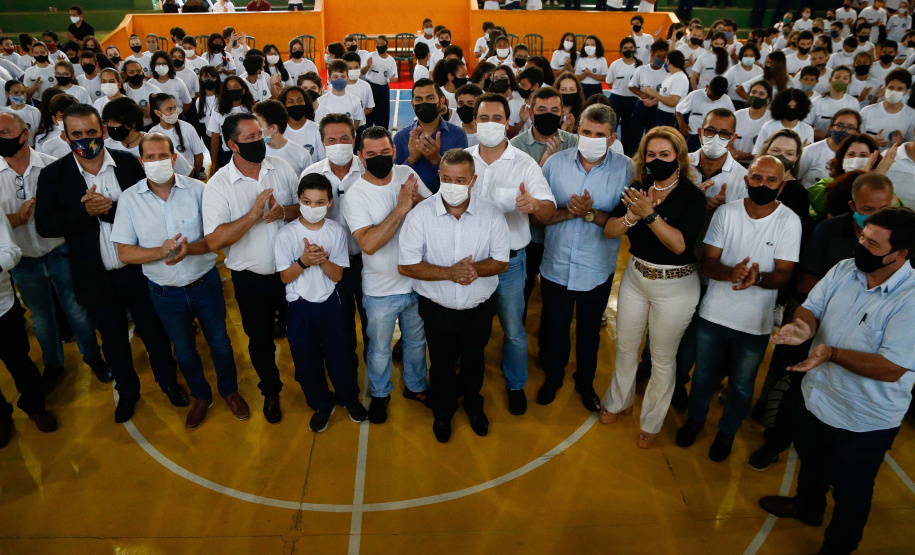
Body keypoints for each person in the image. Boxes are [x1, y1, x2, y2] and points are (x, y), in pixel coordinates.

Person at [759, 205, 915, 555]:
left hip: (864, 418)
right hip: (818, 395)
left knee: (852, 488)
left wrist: (831, 354)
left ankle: (839, 546)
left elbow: (892, 368)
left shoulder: (911, 300)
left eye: (873, 245)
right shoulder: (846, 269)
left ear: (900, 255)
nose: (862, 246)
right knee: (810, 460)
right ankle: (807, 507)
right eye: (862, 236)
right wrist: (803, 328)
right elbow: (811, 307)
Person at [35, 104, 185, 423]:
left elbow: (151, 209)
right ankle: (128, 392)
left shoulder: (129, 165)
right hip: (95, 275)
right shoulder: (54, 175)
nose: (85, 139)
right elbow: (45, 225)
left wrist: (108, 211)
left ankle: (169, 383)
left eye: (91, 132)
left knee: (155, 333)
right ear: (65, 136)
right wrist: (83, 213)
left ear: (103, 131)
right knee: (113, 340)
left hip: (139, 270)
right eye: (76, 135)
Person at [748, 172, 897, 472]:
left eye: (884, 209)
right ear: (853, 205)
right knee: (794, 391)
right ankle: (776, 441)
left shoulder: (900, 241)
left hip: (863, 339)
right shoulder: (830, 233)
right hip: (817, 326)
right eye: (868, 211)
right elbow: (806, 285)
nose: (877, 218)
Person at [110, 133, 249, 429]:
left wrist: (191, 249)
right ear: (141, 162)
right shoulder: (129, 199)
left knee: (220, 343)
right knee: (183, 349)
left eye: (163, 156)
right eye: (150, 157)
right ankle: (201, 396)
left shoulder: (199, 190)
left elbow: (215, 237)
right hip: (164, 292)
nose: (157, 161)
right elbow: (124, 251)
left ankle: (230, 391)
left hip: (205, 283)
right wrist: (157, 252)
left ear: (174, 158)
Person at [676, 155, 802, 462]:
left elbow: (784, 274)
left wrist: (756, 277)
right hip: (714, 313)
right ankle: (695, 420)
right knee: (703, 375)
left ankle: (727, 432)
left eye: (771, 180)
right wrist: (730, 274)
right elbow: (708, 261)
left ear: (782, 186)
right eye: (757, 178)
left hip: (754, 322)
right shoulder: (726, 214)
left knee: (742, 385)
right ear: (746, 181)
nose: (763, 184)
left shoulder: (789, 221)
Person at [601, 125, 705, 448]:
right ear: (643, 159)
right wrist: (631, 217)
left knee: (661, 358)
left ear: (678, 157)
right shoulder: (637, 187)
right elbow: (610, 231)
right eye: (651, 155)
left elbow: (678, 245)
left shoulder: (691, 196)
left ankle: (651, 421)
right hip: (636, 277)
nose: (657, 160)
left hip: (675, 286)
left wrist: (648, 215)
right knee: (626, 346)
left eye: (665, 154)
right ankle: (620, 400)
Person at [398, 148, 510, 442]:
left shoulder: (492, 214)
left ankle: (474, 405)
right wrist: (450, 273)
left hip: (479, 308)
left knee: (474, 361)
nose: (453, 185)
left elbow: (501, 261)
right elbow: (406, 265)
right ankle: (443, 412)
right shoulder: (420, 216)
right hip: (437, 309)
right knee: (442, 363)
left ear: (473, 180)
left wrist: (473, 270)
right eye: (447, 178)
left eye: (461, 180)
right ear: (439, 176)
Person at [202, 113, 300, 423]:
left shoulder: (281, 168)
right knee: (260, 340)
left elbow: (306, 206)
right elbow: (215, 240)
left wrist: (285, 211)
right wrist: (253, 215)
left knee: (304, 332)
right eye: (250, 138)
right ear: (232, 145)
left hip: (294, 272)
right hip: (251, 279)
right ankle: (271, 391)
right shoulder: (218, 185)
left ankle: (312, 383)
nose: (259, 142)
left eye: (260, 134)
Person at [0, 110, 109, 390]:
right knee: (41, 319)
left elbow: (73, 212)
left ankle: (94, 358)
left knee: (77, 311)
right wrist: (17, 219)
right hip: (23, 259)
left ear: (24, 135)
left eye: (4, 133)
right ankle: (53, 364)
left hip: (59, 251)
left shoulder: (53, 167)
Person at [465, 94, 556, 415]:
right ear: (475, 122)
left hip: (510, 264)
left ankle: (515, 384)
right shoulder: (461, 159)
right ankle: (468, 385)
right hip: (470, 264)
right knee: (470, 330)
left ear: (508, 122)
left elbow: (548, 207)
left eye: (497, 118)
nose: (490, 124)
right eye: (484, 118)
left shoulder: (523, 164)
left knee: (514, 331)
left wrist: (534, 206)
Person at [537, 104, 632, 412]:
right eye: (586, 132)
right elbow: (542, 216)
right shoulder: (554, 165)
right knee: (556, 328)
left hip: (597, 268)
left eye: (600, 135)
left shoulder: (626, 169)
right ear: (576, 130)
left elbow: (623, 222)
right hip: (557, 264)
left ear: (612, 137)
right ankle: (553, 378)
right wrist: (569, 211)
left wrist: (590, 213)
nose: (592, 138)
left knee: (589, 332)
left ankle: (585, 383)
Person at [342, 126, 432, 424]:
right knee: (379, 349)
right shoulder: (355, 195)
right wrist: (402, 208)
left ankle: (416, 387)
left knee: (417, 342)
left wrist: (416, 203)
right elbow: (368, 243)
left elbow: (434, 214)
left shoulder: (408, 175)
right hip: (381, 289)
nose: (379, 158)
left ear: (394, 151)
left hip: (417, 282)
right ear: (360, 157)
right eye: (371, 154)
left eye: (385, 152)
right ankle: (380, 394)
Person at [275, 172, 367, 432]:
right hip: (300, 306)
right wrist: (304, 261)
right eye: (307, 201)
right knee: (306, 359)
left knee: (341, 354)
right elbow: (285, 277)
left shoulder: (336, 232)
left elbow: (337, 275)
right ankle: (320, 403)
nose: (312, 207)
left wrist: (321, 259)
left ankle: (348, 397)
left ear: (329, 203)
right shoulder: (286, 234)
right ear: (299, 200)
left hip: (331, 303)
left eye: (319, 202)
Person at [301, 114, 367, 378]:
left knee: (372, 321)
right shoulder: (311, 174)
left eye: (344, 139)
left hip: (365, 260)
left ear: (354, 139)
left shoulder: (368, 170)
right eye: (331, 140)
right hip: (329, 264)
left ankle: (374, 372)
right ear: (322, 142)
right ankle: (346, 373)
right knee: (339, 325)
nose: (338, 144)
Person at [0, 214, 58, 447]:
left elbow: (11, 251)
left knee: (20, 362)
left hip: (2, 308)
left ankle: (35, 407)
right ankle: (2, 416)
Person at [394, 79, 467, 193]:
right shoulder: (400, 137)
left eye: (430, 98)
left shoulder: (458, 135)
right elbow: (394, 181)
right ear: (413, 105)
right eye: (419, 99)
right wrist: (411, 159)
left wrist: (437, 160)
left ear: (442, 101)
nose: (425, 103)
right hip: (410, 205)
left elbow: (461, 179)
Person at [797, 109, 862, 189]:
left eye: (850, 127)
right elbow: (795, 179)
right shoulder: (810, 152)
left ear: (857, 132)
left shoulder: (860, 156)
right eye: (839, 125)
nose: (844, 130)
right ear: (831, 127)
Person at [149, 93, 206, 179]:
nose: (174, 112)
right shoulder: (153, 133)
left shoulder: (187, 128)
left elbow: (198, 154)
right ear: (158, 113)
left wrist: (194, 174)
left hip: (187, 177)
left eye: (174, 108)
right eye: (169, 109)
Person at [627, 40, 668, 156]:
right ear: (652, 55)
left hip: (657, 109)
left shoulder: (667, 72)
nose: (660, 60)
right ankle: (632, 158)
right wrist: (641, 94)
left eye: (663, 57)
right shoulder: (642, 70)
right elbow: (631, 86)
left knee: (653, 136)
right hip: (641, 106)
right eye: (658, 56)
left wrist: (655, 99)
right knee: (635, 135)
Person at [207, 76, 254, 173]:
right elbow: (215, 137)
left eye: (236, 87)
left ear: (243, 90)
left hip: (250, 151)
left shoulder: (252, 109)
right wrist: (214, 162)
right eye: (229, 88)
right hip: (228, 154)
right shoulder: (218, 110)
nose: (232, 90)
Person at [254, 100, 312, 176]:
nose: (255, 129)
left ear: (273, 128)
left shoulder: (302, 154)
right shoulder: (255, 152)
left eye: (259, 125)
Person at [675, 76, 735, 151]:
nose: (713, 99)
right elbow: (678, 110)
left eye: (716, 98)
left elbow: (732, 119)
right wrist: (681, 123)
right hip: (694, 135)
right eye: (711, 96)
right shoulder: (695, 95)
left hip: (714, 138)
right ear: (707, 87)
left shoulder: (726, 100)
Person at [860, 68, 915, 146]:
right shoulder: (867, 111)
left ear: (906, 91)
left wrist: (899, 144)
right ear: (885, 87)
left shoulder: (912, 115)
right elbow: (857, 138)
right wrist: (871, 142)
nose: (894, 92)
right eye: (891, 87)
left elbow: (911, 144)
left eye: (899, 89)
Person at [607, 38, 641, 156]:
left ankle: (626, 154)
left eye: (631, 48)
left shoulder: (640, 65)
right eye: (625, 48)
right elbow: (609, 81)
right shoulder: (615, 64)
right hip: (616, 99)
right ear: (621, 50)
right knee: (611, 127)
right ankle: (610, 151)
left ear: (634, 49)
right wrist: (617, 90)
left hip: (632, 100)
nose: (628, 50)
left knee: (628, 129)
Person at [753, 88, 815, 153]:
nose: (792, 109)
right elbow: (757, 152)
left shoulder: (807, 129)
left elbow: (808, 156)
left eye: (795, 107)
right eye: (788, 107)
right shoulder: (768, 126)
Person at [643, 50, 689, 128]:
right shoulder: (670, 76)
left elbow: (672, 102)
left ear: (669, 61)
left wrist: (654, 93)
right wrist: (652, 102)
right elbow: (663, 96)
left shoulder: (679, 78)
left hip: (670, 116)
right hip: (661, 113)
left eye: (666, 60)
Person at [278, 85, 323, 161]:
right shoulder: (279, 131)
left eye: (300, 101)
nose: (296, 104)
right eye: (291, 102)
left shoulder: (317, 130)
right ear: (284, 105)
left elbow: (323, 160)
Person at [315, 60, 364, 129]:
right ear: (329, 79)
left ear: (347, 78)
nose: (339, 80)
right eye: (335, 77)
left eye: (343, 77)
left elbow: (356, 122)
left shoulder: (355, 101)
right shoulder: (321, 101)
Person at [731, 80, 772, 162]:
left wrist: (755, 156)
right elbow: (726, 138)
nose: (756, 96)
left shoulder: (771, 119)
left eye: (761, 94)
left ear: (768, 99)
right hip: (735, 161)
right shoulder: (737, 115)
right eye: (753, 92)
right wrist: (734, 152)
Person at [362, 36, 398, 129]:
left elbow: (393, 76)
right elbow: (362, 71)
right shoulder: (371, 56)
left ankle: (382, 131)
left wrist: (393, 79)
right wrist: (368, 66)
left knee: (383, 114)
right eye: (377, 44)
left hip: (383, 89)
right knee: (369, 112)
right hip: (371, 87)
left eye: (382, 43)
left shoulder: (391, 60)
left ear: (387, 44)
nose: (380, 45)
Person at [2, 81, 41, 147]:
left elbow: (39, 134)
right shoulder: (4, 113)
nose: (20, 95)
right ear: (7, 94)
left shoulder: (34, 111)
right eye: (16, 93)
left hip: (31, 148)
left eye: (22, 92)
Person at [575, 35, 608, 100]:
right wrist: (585, 74)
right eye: (587, 44)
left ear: (597, 46)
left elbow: (604, 77)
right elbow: (577, 77)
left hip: (596, 88)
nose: (589, 47)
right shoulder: (581, 59)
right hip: (583, 87)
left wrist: (590, 74)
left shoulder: (602, 59)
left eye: (592, 44)